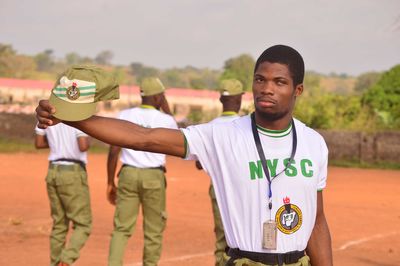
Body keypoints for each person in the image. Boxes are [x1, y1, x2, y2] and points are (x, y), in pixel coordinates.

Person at [36, 44, 333, 266]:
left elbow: (317, 222)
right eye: (260, 79)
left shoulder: (314, 143)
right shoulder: (222, 134)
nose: (266, 89)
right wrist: (71, 118)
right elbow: (145, 138)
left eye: (279, 82)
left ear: (298, 89)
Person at [106, 77, 178, 266]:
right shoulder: (166, 120)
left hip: (128, 173)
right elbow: (179, 139)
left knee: (121, 228)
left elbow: (114, 151)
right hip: (153, 176)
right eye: (162, 95)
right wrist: (168, 111)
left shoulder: (124, 115)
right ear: (157, 97)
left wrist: (110, 182)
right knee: (153, 231)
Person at [195, 79, 244, 265]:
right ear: (239, 100)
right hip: (244, 189)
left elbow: (199, 163)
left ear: (221, 100)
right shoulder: (246, 126)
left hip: (218, 188)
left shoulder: (211, 127)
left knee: (222, 239)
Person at [35, 123, 91, 266]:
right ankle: (66, 260)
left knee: (59, 225)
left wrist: (57, 143)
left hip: (53, 170)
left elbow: (39, 143)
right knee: (83, 224)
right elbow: (83, 145)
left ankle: (55, 263)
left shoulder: (48, 115)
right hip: (72, 172)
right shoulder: (78, 117)